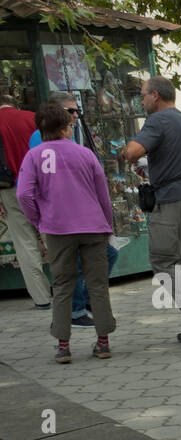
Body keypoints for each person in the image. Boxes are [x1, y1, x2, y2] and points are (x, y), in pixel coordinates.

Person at [120, 76, 181, 352]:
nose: (141, 100)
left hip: (173, 201)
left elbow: (132, 152)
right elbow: (177, 162)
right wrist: (151, 169)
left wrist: (127, 147)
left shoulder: (157, 121)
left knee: (163, 264)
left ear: (155, 96)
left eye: (142, 95)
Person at [16, 105, 115, 364]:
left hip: (57, 229)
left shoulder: (34, 156)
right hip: (93, 226)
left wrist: (38, 220)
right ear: (64, 128)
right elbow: (103, 194)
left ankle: (63, 347)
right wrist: (108, 224)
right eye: (71, 125)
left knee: (62, 286)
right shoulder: (85, 154)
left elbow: (24, 194)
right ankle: (103, 343)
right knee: (97, 284)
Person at [31, 91, 118, 330]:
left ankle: (64, 341)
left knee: (73, 277)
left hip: (70, 224)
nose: (75, 116)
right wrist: (39, 218)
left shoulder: (67, 144)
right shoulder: (43, 143)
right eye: (70, 111)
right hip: (68, 223)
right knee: (77, 278)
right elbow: (102, 194)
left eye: (76, 110)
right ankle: (89, 324)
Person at [0, 94, 52, 310]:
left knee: (25, 243)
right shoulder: (32, 118)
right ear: (15, 104)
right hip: (41, 185)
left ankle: (41, 298)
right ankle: (68, 289)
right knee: (53, 237)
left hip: (9, 188)